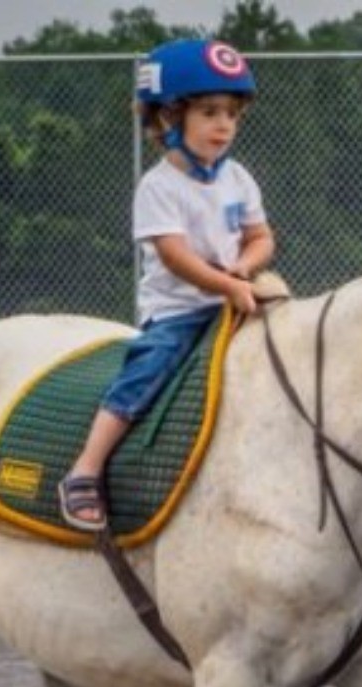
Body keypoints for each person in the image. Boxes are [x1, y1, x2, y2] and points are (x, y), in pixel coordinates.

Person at [59, 38, 275, 531]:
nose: (224, 124)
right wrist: (226, 284)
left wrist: (244, 269)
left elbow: (261, 237)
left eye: (232, 114)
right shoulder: (158, 187)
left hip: (233, 298)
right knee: (148, 371)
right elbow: (175, 257)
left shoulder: (238, 178)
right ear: (167, 119)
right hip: (179, 313)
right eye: (209, 112)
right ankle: (85, 470)